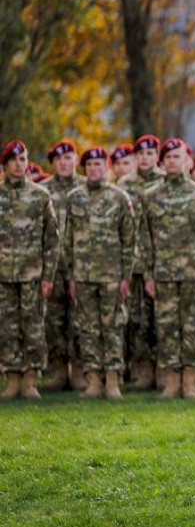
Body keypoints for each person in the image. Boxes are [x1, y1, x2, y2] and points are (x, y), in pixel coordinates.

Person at [138, 138, 195, 399]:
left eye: (177, 157)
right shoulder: (150, 196)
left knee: (192, 326)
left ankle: (190, 381)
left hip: (193, 274)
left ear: (187, 160)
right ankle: (172, 381)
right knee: (167, 327)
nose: (172, 161)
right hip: (163, 274)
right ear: (162, 162)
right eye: (168, 157)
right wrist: (148, 275)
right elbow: (145, 240)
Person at [63, 147, 135, 400]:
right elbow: (67, 240)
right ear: (84, 169)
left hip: (112, 275)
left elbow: (129, 240)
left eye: (99, 164)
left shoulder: (119, 197)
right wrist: (70, 275)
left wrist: (126, 275)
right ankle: (93, 380)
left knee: (113, 326)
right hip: (83, 275)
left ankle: (113, 380)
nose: (94, 168)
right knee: (87, 328)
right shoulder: (74, 198)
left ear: (107, 167)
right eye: (90, 164)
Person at [0, 141, 59, 400]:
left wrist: (48, 276)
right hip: (3, 276)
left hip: (32, 275)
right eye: (13, 160)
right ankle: (12, 379)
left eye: (22, 159)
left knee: (33, 327)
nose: (18, 164)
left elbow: (52, 240)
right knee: (7, 328)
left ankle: (31, 381)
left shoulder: (40, 196)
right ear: (4, 165)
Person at [118, 134, 164, 390]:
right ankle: (142, 370)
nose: (145, 158)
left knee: (161, 318)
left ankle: (163, 370)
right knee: (137, 319)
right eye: (141, 154)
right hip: (133, 264)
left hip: (163, 263)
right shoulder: (125, 184)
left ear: (157, 156)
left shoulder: (165, 182)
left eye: (150, 154)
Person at [40, 139, 86, 391]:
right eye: (58, 159)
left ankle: (79, 369)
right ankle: (59, 370)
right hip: (52, 266)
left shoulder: (86, 187)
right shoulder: (42, 190)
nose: (64, 163)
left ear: (76, 160)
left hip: (82, 264)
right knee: (54, 320)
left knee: (80, 318)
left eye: (68, 157)